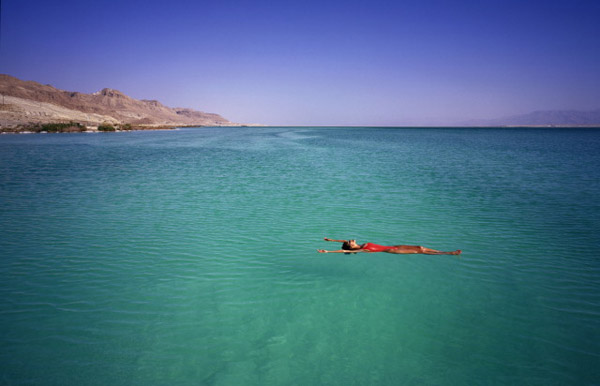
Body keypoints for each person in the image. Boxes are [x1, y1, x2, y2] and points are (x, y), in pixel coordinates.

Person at [317, 237, 461, 255]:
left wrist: (331, 240)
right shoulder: (362, 249)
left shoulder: (360, 245)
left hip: (393, 245)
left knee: (420, 246)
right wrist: (328, 251)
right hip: (392, 251)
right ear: (351, 246)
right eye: (350, 241)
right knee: (420, 251)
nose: (352, 239)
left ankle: (442, 251)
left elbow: (344, 244)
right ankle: (449, 253)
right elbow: (344, 249)